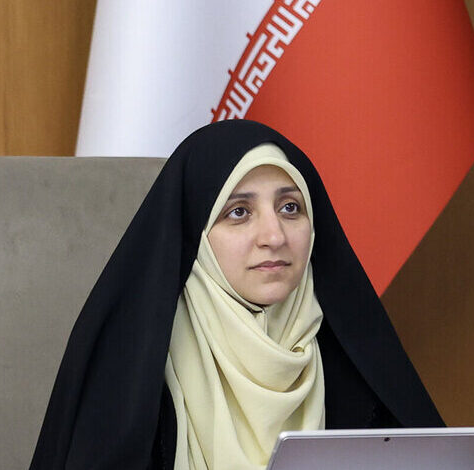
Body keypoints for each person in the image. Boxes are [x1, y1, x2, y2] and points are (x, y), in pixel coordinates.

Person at [30, 120, 443, 470]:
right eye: (239, 213)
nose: (274, 236)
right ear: (195, 233)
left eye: (290, 208)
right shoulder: (130, 372)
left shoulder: (355, 367)